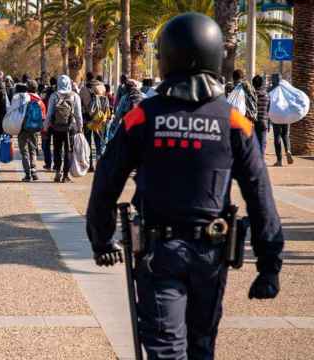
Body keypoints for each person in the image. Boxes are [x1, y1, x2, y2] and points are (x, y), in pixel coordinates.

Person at [87, 13, 283, 360]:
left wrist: (102, 239)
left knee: (166, 350)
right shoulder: (234, 122)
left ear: (169, 58)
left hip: (158, 252)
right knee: (201, 348)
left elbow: (107, 179)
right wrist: (269, 264)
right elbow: (260, 195)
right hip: (211, 252)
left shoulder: (143, 117)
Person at [46, 74, 83, 183]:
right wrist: (80, 127)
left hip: (56, 127)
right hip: (70, 127)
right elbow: (78, 114)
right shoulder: (75, 96)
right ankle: (65, 175)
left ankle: (58, 171)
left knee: (57, 149)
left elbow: (49, 113)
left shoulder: (54, 96)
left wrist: (45, 126)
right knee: (68, 150)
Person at [80, 73, 109, 172]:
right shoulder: (102, 87)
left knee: (88, 143)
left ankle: (90, 165)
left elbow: (81, 105)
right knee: (99, 144)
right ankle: (100, 165)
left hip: (88, 120)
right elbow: (106, 103)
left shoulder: (84, 89)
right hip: (100, 120)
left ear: (87, 79)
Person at [16, 81, 45, 182]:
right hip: (34, 129)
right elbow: (43, 116)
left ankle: (27, 174)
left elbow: (18, 113)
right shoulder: (39, 100)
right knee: (33, 150)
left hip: (23, 128)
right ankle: (34, 170)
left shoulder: (23, 98)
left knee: (24, 151)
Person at [269, 73, 294, 167]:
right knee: (286, 135)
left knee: (277, 136)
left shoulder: (271, 89)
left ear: (273, 80)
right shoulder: (286, 88)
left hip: (276, 116)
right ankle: (288, 150)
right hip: (286, 115)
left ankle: (279, 160)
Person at [41, 77, 58, 171]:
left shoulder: (45, 91)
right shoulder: (59, 92)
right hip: (57, 122)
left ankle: (48, 164)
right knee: (56, 145)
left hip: (46, 121)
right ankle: (56, 164)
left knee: (46, 144)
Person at [252, 75, 270, 157]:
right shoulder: (267, 95)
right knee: (262, 143)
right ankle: (261, 161)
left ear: (253, 84)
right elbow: (268, 110)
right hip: (264, 122)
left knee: (253, 144)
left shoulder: (252, 95)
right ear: (262, 84)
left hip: (253, 122)